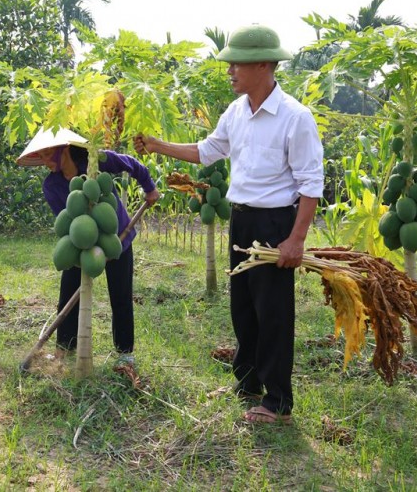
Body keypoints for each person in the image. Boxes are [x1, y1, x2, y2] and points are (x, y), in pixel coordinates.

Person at [134, 25, 323, 424]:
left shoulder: (295, 117)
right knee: (244, 309)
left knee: (273, 313)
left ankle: (278, 402)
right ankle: (248, 382)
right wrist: (157, 144)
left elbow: (310, 185)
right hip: (240, 222)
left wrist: (296, 240)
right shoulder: (235, 112)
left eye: (236, 63)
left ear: (264, 64)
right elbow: (206, 152)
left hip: (274, 225)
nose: (230, 70)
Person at [17, 128, 160, 368]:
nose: (44, 162)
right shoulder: (51, 185)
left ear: (62, 149)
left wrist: (150, 188)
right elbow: (67, 222)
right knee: (67, 296)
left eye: (46, 155)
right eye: (40, 157)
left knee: (121, 296)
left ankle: (125, 353)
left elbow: (133, 165)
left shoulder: (98, 161)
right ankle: (64, 349)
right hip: (81, 245)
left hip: (116, 239)